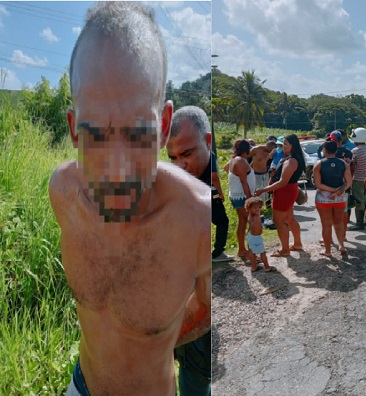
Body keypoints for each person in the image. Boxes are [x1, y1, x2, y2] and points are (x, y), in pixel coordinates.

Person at [49, 3, 210, 395]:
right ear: (73, 129)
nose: (116, 168)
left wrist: (154, 343)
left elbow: (206, 308)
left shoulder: (196, 218)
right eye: (94, 134)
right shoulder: (63, 193)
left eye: (137, 133)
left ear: (164, 126)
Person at [166, 106, 218, 396]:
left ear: (208, 141)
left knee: (196, 382)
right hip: (175, 312)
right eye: (172, 157)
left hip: (198, 320)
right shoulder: (176, 184)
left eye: (186, 154)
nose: (179, 164)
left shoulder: (213, 190)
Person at [255, 134, 306, 256]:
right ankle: (297, 243)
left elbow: (283, 182)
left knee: (278, 221)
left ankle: (284, 249)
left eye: (285, 144)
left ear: (292, 145)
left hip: (284, 192)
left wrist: (264, 190)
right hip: (289, 190)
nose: (283, 147)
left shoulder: (291, 161)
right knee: (289, 218)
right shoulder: (291, 158)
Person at [312, 140, 352, 257]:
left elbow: (318, 184)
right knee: (339, 222)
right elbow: (348, 182)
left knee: (326, 224)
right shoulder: (344, 164)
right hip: (339, 198)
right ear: (336, 150)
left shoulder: (319, 164)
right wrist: (338, 191)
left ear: (324, 150)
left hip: (323, 198)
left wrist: (331, 190)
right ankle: (341, 245)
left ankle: (328, 250)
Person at [229, 139, 256, 260]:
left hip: (239, 195)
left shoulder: (236, 160)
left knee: (243, 222)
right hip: (242, 196)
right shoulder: (239, 161)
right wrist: (250, 200)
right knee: (248, 221)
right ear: (246, 149)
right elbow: (243, 181)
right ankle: (248, 251)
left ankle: (243, 249)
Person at [348, 127, 366, 231]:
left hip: (358, 179)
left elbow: (353, 166)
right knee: (364, 198)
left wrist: (349, 179)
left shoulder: (355, 151)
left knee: (359, 200)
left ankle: (360, 223)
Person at [244, 197, 275, 272]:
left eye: (259, 207)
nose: (258, 209)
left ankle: (254, 266)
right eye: (255, 208)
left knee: (252, 251)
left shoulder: (251, 215)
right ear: (249, 208)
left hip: (252, 236)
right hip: (255, 238)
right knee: (262, 252)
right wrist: (258, 216)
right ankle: (267, 267)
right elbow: (253, 224)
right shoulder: (253, 216)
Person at [250, 139, 277, 204]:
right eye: (272, 149)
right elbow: (251, 160)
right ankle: (256, 206)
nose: (272, 151)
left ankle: (267, 204)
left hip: (265, 174)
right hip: (256, 174)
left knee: (266, 190)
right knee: (258, 191)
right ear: (268, 146)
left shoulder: (268, 153)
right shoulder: (257, 149)